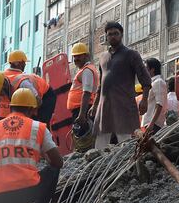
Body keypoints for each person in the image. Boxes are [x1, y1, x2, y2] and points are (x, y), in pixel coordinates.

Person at [90, 21, 151, 149]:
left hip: (123, 104)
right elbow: (101, 84)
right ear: (106, 37)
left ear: (121, 35)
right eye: (110, 34)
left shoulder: (131, 54)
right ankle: (99, 167)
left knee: (126, 142)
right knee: (100, 143)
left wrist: (144, 100)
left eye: (116, 33)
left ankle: (128, 168)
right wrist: (95, 105)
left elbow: (145, 79)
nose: (113, 36)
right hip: (104, 105)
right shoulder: (102, 57)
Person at [5, 50, 56, 125]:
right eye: (24, 63)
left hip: (46, 96)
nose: (25, 65)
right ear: (19, 63)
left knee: (40, 124)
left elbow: (38, 100)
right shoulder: (21, 80)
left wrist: (34, 113)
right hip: (39, 95)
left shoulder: (6, 77)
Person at [67, 42, 98, 130]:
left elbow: (87, 93)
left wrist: (82, 115)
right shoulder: (84, 70)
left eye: (79, 56)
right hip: (81, 109)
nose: (76, 59)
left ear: (86, 56)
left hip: (82, 110)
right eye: (74, 56)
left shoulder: (87, 70)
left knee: (83, 140)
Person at [141, 58, 168, 132]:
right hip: (149, 123)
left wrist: (151, 124)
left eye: (145, 68)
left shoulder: (158, 82)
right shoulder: (153, 83)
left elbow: (159, 104)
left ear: (152, 69)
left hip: (154, 125)